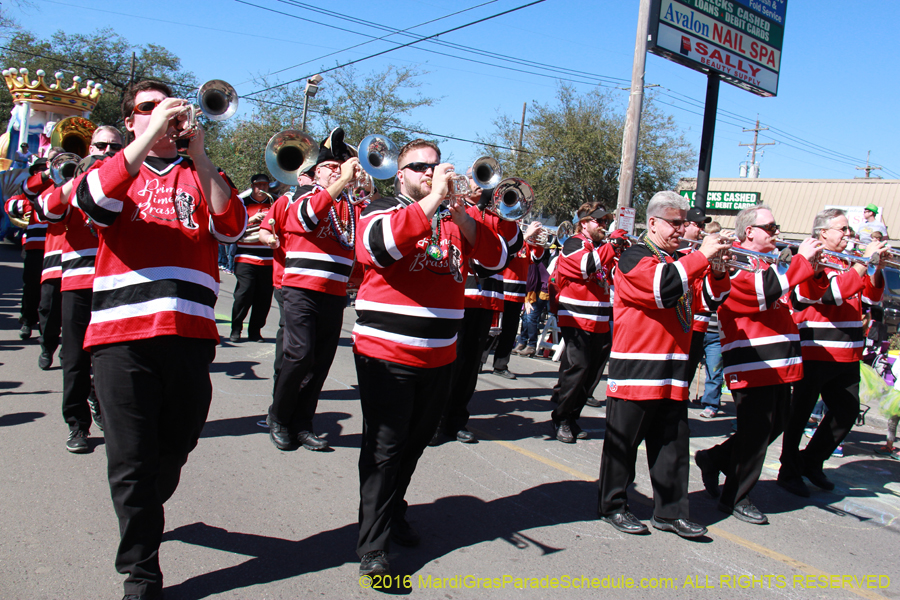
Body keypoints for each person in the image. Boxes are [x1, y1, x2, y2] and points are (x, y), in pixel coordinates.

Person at [49, 79, 246, 599]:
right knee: (130, 460)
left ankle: (144, 511)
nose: (161, 116)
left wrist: (200, 155)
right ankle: (141, 571)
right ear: (131, 120)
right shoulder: (110, 171)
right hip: (121, 336)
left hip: (190, 334)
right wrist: (144, 141)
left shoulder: (205, 172)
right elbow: (91, 204)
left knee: (175, 447)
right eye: (147, 110)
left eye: (168, 109)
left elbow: (229, 228)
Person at [352, 139, 505, 577]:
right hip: (386, 351)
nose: (430, 172)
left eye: (435, 167)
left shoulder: (456, 216)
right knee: (384, 447)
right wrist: (436, 198)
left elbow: (496, 260)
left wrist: (462, 217)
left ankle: (392, 507)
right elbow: (378, 249)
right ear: (401, 174)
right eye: (419, 167)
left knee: (416, 443)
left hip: (440, 354)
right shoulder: (381, 206)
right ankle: (373, 546)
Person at [598, 190, 731, 538]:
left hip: (673, 368)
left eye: (684, 222)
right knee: (622, 443)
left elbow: (711, 300)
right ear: (653, 222)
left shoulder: (682, 261)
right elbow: (660, 289)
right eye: (675, 222)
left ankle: (670, 513)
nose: (682, 228)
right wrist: (702, 257)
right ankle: (613, 504)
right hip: (637, 366)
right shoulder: (634, 256)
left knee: (672, 444)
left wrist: (717, 268)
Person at [694, 205, 820, 525]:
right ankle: (734, 496)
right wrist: (802, 260)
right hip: (750, 358)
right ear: (749, 231)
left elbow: (800, 297)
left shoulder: (767, 262)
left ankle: (715, 458)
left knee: (775, 424)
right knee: (755, 431)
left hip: (777, 358)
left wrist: (811, 266)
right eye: (771, 227)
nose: (777, 232)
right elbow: (761, 295)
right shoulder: (733, 261)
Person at [777, 208, 885, 497]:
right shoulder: (816, 259)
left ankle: (811, 461)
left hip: (848, 352)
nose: (848, 234)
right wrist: (862, 266)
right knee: (799, 414)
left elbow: (873, 298)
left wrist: (877, 268)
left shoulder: (851, 261)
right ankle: (788, 468)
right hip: (817, 348)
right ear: (823, 232)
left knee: (846, 412)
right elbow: (832, 295)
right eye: (843, 229)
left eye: (848, 229)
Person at [267, 128, 361, 452]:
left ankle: (303, 422)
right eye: (331, 166)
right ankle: (278, 417)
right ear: (315, 170)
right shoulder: (303, 196)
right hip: (301, 290)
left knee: (320, 362)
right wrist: (339, 184)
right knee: (299, 355)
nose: (339, 170)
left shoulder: (350, 206)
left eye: (343, 165)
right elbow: (305, 220)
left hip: (335, 294)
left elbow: (361, 245)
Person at [43, 126, 126, 452]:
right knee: (76, 359)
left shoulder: (130, 179)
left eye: (114, 147)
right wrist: (76, 181)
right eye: (101, 145)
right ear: (90, 147)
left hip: (117, 282)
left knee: (111, 359)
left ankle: (105, 407)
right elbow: (49, 210)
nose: (106, 151)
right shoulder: (74, 178)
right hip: (78, 281)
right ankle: (77, 425)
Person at [432, 175, 527, 444]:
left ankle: (456, 420)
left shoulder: (500, 218)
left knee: (470, 367)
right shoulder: (457, 208)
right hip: (460, 297)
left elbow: (513, 245)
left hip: (486, 300)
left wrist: (504, 212)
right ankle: (435, 420)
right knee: (450, 363)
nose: (482, 188)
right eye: (479, 182)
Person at [549, 203, 616, 443]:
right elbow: (586, 266)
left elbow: (613, 277)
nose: (604, 226)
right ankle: (561, 418)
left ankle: (572, 416)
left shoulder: (602, 248)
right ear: (584, 223)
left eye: (606, 222)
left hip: (600, 316)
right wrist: (612, 246)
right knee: (578, 368)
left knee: (593, 373)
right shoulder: (572, 243)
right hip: (575, 315)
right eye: (599, 221)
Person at [259, 168, 315, 386]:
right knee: (293, 340)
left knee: (311, 342)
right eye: (309, 174)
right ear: (299, 178)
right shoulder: (286, 201)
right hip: (287, 280)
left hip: (319, 283)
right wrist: (269, 240)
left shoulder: (333, 202)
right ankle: (281, 389)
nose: (314, 178)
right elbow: (265, 230)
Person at [4, 158, 49, 340]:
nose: (41, 173)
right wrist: (26, 206)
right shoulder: (29, 187)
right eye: (38, 170)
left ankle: (47, 326)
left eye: (44, 170)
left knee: (51, 291)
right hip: (34, 244)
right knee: (31, 287)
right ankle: (28, 320)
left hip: (58, 246)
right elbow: (10, 205)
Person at [229, 173, 275, 342]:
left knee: (264, 297)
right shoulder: (243, 203)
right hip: (245, 257)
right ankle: (236, 327)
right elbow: (234, 226)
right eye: (258, 185)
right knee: (244, 294)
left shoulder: (274, 203)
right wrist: (251, 219)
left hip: (268, 259)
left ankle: (255, 330)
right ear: (252, 186)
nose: (261, 188)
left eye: (264, 185)